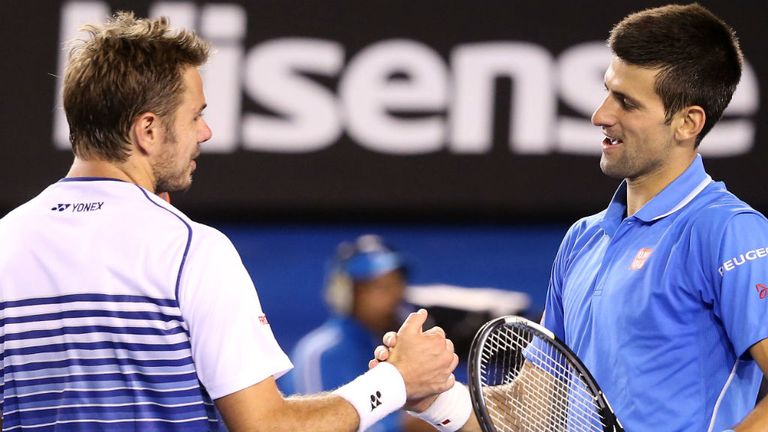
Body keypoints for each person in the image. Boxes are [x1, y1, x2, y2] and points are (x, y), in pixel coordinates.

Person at [0, 12, 459, 431]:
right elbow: (267, 428)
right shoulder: (188, 249)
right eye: (195, 116)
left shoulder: (6, 241)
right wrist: (396, 381)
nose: (205, 132)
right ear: (148, 130)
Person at [375, 3, 768, 431]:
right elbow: (528, 414)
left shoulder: (730, 232)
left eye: (627, 103)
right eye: (607, 91)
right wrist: (435, 399)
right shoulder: (583, 239)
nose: (601, 115)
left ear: (688, 123)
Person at [284, 234, 433, 431]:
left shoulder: (391, 345)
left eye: (396, 284)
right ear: (346, 294)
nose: (394, 295)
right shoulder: (320, 353)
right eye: (380, 287)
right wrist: (414, 425)